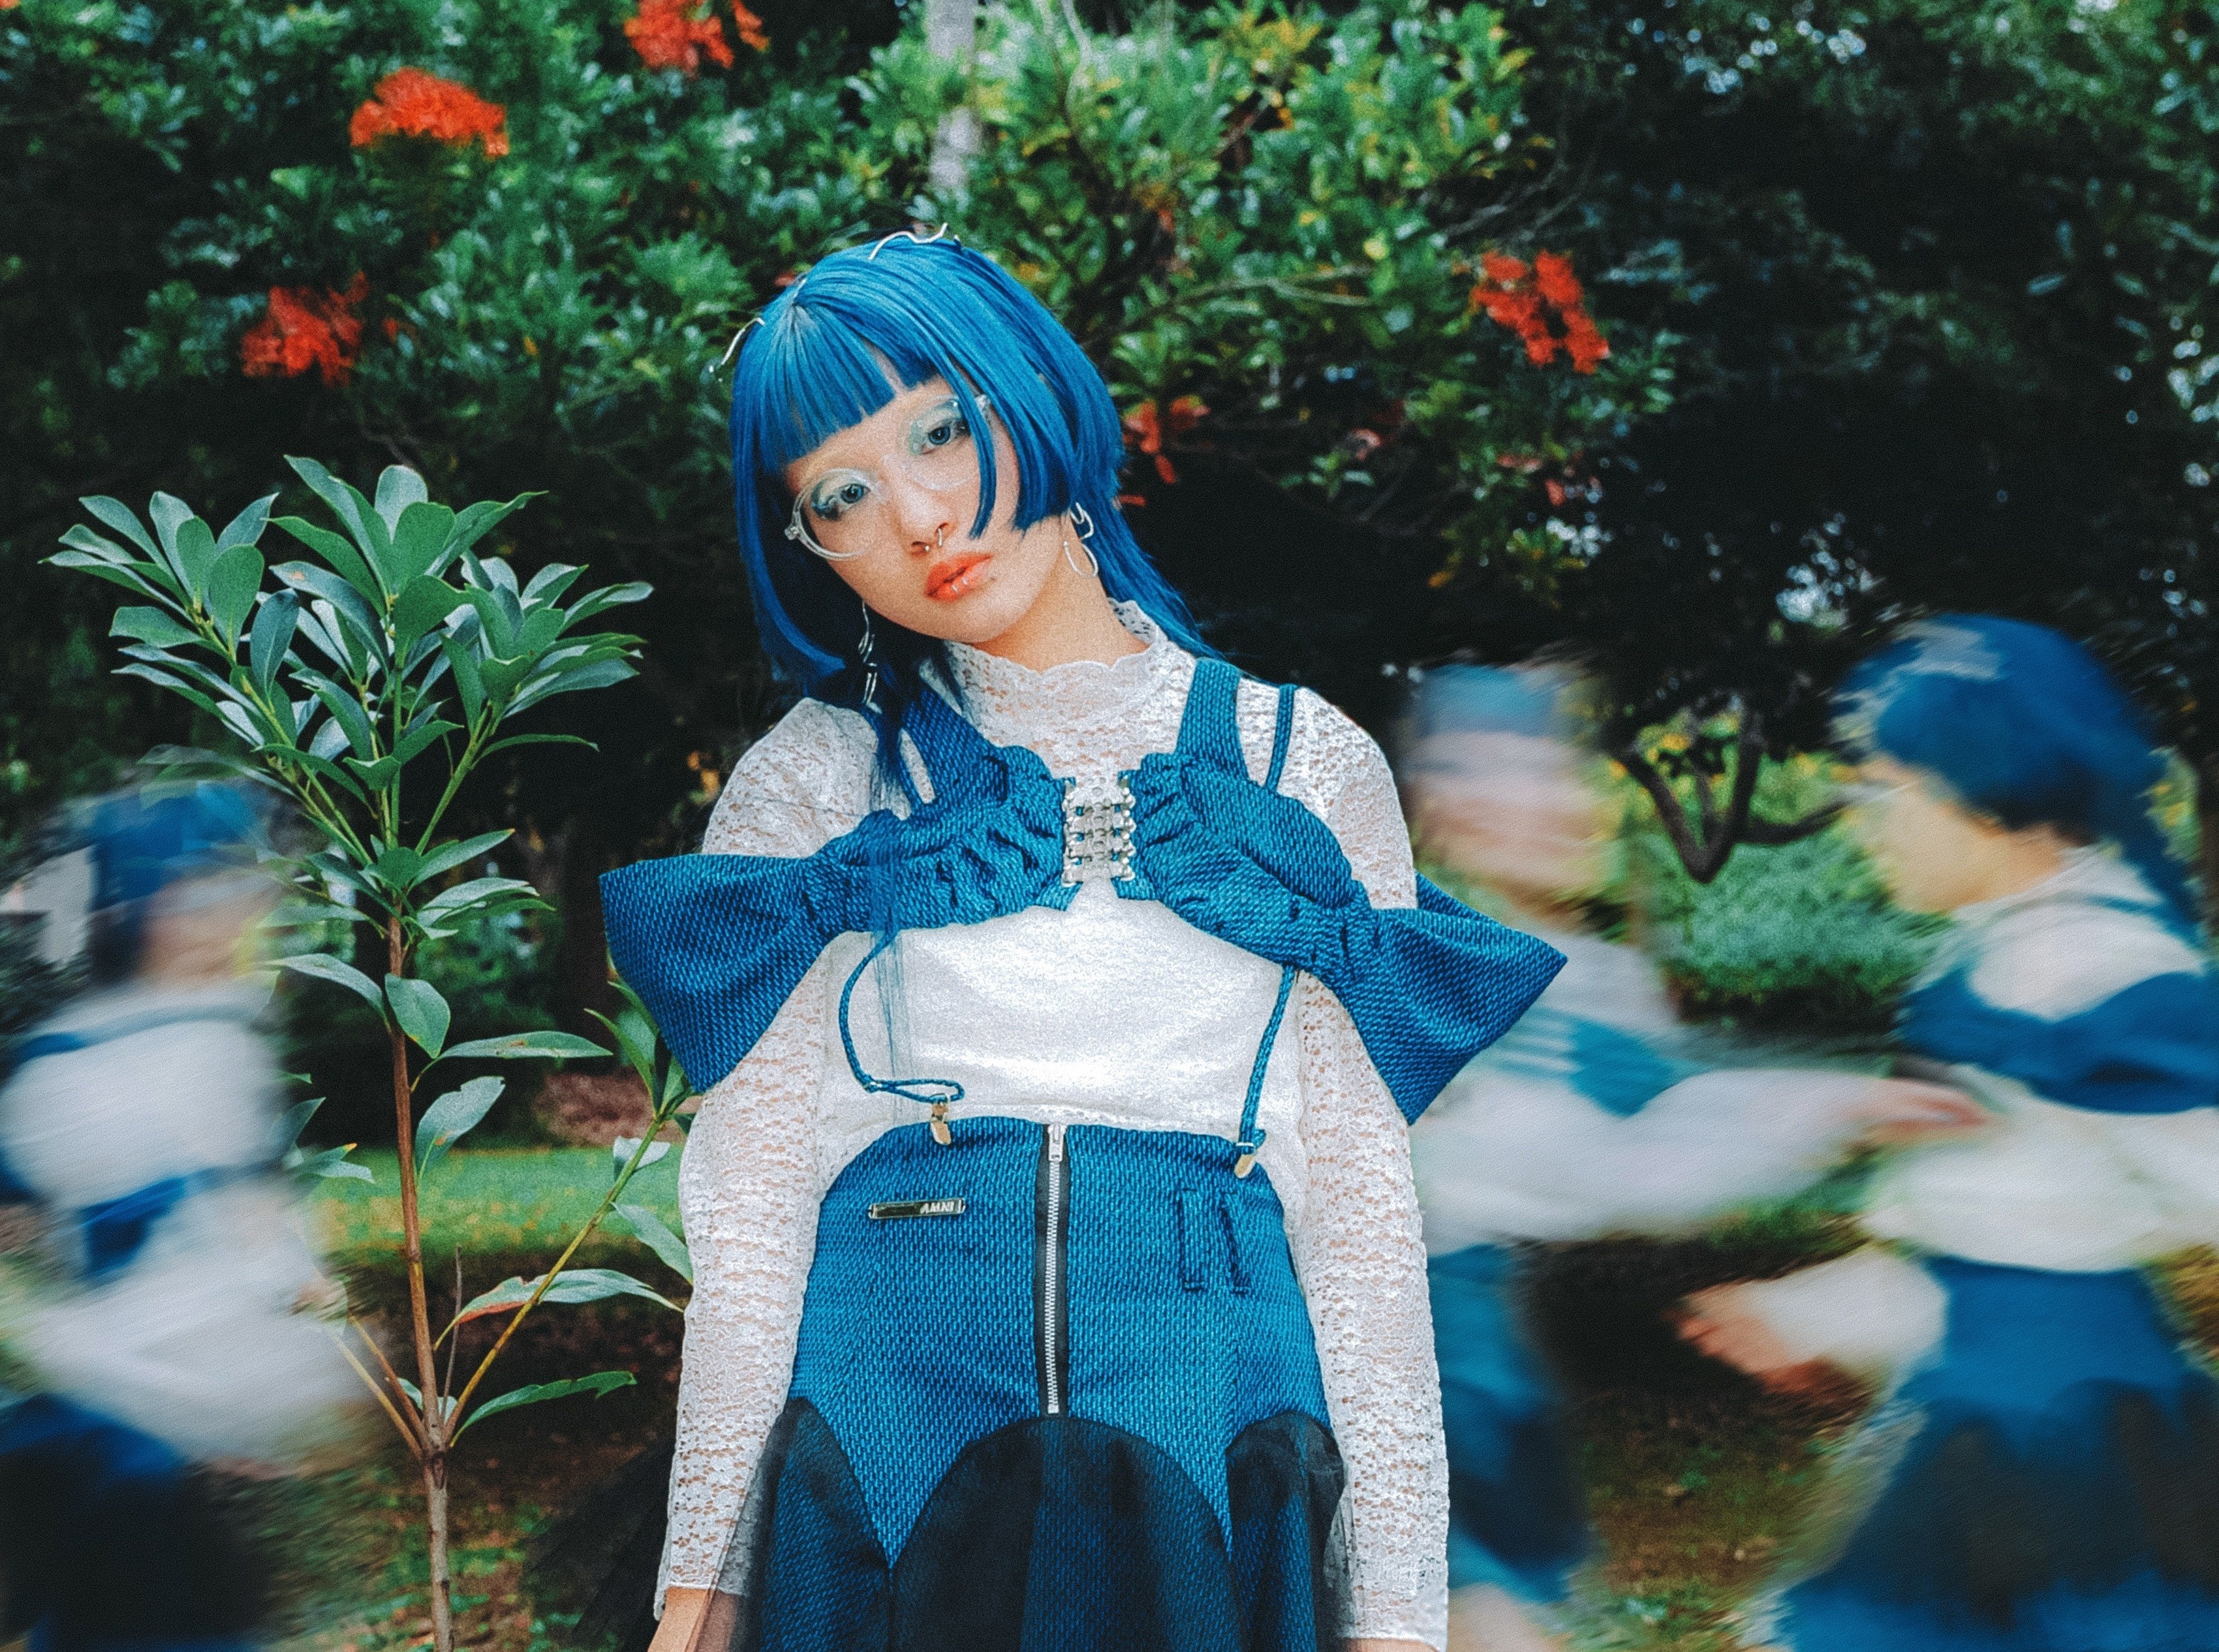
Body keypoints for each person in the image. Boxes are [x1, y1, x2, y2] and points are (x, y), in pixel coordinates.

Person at [599, 233, 1566, 1652]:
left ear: (1036, 395)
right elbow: (750, 1222)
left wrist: (1399, 1617)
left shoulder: (1303, 763)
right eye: (840, 495)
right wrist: (700, 1596)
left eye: (941, 429)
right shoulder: (809, 783)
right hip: (880, 1463)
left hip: (1216, 1455)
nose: (920, 516)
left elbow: (1360, 1229)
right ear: (806, 544)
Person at [1401, 666, 1978, 1652]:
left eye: (1555, 773)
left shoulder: (1593, 982)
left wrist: (1836, 1104)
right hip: (1421, 1350)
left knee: (1485, 1607)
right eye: (1491, 776)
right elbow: (1606, 1163)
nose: (1551, 804)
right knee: (1476, 1607)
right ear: (1445, 810)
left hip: (1490, 1349)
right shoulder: (1414, 960)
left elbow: (1651, 1148)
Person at [1677, 616, 2219, 1652]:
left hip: (2077, 1448)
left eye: (1887, 792)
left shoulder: (2104, 967)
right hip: (1974, 1416)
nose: (1864, 825)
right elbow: (1979, 1238)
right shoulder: (1978, 966)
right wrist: (1813, 1309)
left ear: (1984, 790)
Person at [0, 785, 356, 1652]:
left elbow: (238, 1231)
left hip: (141, 1452)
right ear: (154, 916)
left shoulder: (197, 1040)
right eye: (213, 891)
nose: (247, 913)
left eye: (247, 887)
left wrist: (289, 1292)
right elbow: (141, 1266)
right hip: (115, 1454)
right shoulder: (113, 1064)